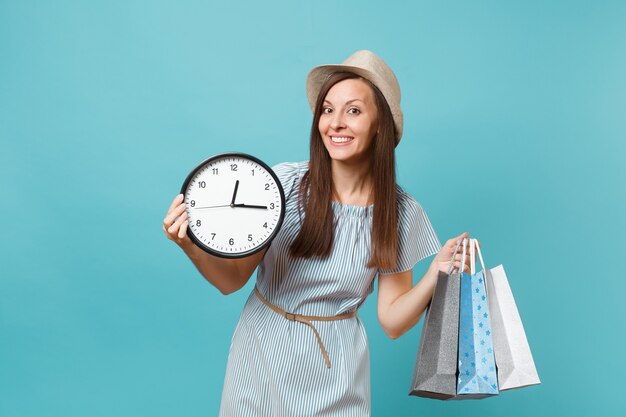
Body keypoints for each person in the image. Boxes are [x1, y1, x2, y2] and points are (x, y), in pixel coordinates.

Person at [162, 50, 471, 416]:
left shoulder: (401, 213)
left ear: (379, 125)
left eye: (353, 111)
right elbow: (232, 281)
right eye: (327, 109)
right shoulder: (284, 185)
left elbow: (391, 321)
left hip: (337, 367)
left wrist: (435, 275)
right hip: (262, 351)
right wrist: (189, 246)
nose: (335, 123)